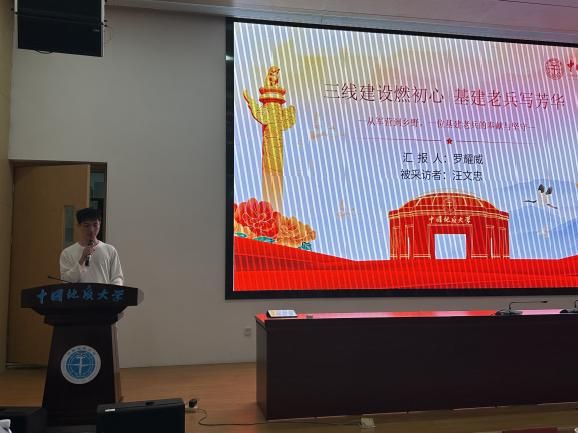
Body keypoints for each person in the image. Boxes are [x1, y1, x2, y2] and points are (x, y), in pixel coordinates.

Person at [60, 208, 124, 285]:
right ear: (79, 226)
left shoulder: (110, 250)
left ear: (100, 224)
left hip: (103, 292)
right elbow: (65, 281)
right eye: (86, 226)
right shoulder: (67, 253)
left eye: (95, 225)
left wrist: (112, 291)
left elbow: (117, 278)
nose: (91, 230)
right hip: (79, 293)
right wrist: (82, 259)